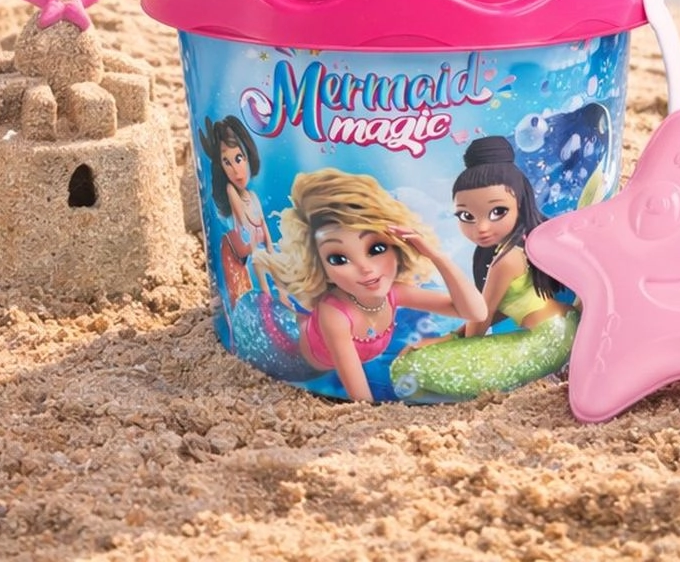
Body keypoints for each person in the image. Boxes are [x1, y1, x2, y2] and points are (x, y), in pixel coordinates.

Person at [252, 168, 487, 403]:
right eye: (338, 259)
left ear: (398, 248)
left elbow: (476, 312)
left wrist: (436, 256)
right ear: (322, 268)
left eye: (376, 249)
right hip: (288, 354)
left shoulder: (393, 293)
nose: (365, 268)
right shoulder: (334, 315)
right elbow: (361, 400)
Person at [391, 135, 577, 399]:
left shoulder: (507, 259)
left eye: (498, 211)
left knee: (409, 366)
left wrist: (450, 342)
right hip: (565, 326)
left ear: (520, 203)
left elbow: (481, 318)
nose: (482, 227)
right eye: (466, 216)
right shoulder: (520, 246)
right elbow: (496, 311)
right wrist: (452, 337)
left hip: (545, 342)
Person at [198, 114, 270, 306]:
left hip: (247, 247)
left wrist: (268, 245)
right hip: (235, 250)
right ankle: (260, 303)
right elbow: (244, 224)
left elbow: (260, 224)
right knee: (242, 295)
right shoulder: (231, 190)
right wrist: (257, 239)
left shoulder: (252, 196)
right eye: (226, 162)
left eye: (239, 158)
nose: (236, 171)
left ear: (248, 156)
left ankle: (268, 300)